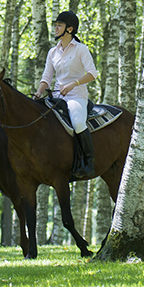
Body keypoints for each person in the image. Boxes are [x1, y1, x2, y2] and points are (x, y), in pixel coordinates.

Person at [36, 10, 98, 179]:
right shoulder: (52, 52)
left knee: (78, 123)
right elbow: (47, 77)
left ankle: (88, 163)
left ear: (69, 29)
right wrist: (39, 92)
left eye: (59, 25)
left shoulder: (81, 49)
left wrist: (73, 84)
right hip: (56, 97)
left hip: (76, 96)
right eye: (55, 25)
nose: (55, 28)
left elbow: (93, 73)